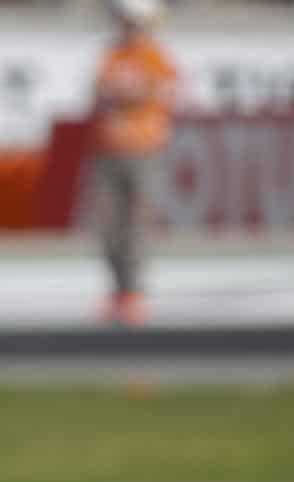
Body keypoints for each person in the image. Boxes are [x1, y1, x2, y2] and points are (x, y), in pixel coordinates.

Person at [91, 0, 178, 326]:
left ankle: (133, 291)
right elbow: (99, 92)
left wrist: (126, 93)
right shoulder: (111, 55)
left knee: (135, 223)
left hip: (143, 148)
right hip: (110, 147)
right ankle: (117, 289)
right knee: (109, 223)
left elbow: (160, 93)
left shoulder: (153, 57)